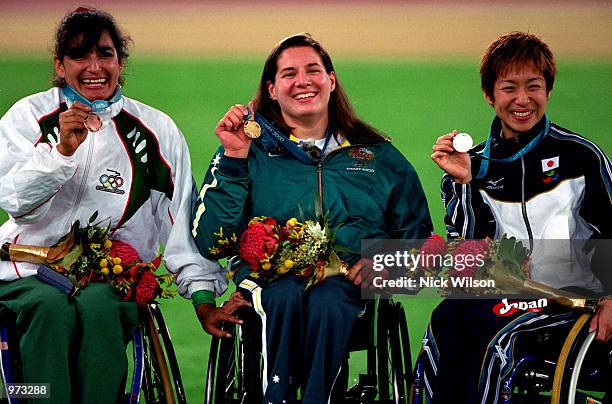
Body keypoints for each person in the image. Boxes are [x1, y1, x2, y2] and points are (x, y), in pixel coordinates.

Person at [191, 33, 433, 403]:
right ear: (271, 89)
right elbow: (211, 241)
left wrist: (385, 262)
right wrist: (235, 159)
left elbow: (421, 240)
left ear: (331, 81)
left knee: (329, 300)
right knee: (284, 295)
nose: (302, 81)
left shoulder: (378, 157)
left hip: (346, 287)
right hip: (269, 284)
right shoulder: (245, 152)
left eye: (313, 70)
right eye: (289, 74)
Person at [0, 8, 225, 403]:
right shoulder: (28, 117)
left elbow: (180, 221)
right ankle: (35, 397)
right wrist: (61, 154)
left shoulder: (157, 131)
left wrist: (204, 297)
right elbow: (15, 202)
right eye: (78, 56)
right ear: (59, 64)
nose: (94, 67)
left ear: (120, 61)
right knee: (49, 309)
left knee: (101, 307)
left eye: (105, 54)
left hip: (109, 277)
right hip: (27, 269)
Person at [425, 31, 612, 403]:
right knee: (445, 321)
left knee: (499, 346)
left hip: (570, 304)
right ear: (489, 94)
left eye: (534, 86)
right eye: (509, 87)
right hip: (505, 296)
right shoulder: (472, 165)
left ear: (548, 90)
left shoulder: (581, 157)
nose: (523, 100)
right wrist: (464, 182)